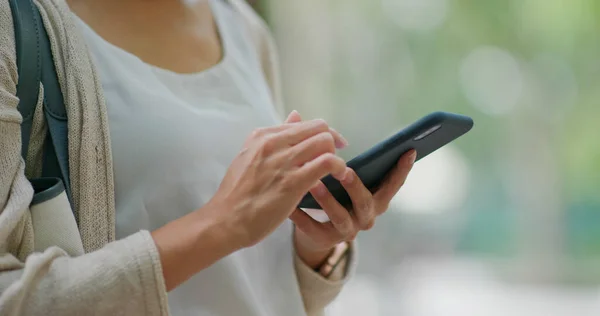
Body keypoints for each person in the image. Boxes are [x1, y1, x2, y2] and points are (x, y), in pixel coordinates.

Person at [0, 0, 416, 315]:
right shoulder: (16, 23)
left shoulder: (242, 26)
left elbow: (255, 285)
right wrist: (222, 224)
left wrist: (314, 243)